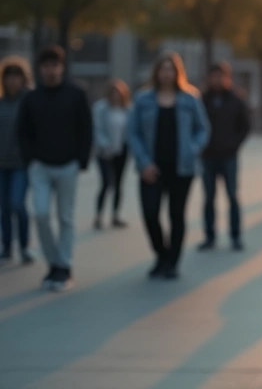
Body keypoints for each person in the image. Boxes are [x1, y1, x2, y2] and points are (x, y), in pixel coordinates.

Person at [127, 53, 209, 280]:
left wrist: (192, 149)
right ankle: (161, 255)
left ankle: (172, 262)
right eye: (162, 69)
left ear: (177, 72)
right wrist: (144, 162)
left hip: (182, 168)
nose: (166, 73)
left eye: (170, 69)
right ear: (156, 72)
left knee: (176, 215)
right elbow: (133, 133)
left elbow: (203, 129)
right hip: (151, 168)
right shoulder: (143, 100)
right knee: (150, 213)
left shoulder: (190, 99)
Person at [16, 46, 92, 291]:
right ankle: (53, 263)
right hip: (40, 165)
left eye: (54, 65)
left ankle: (64, 266)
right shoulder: (31, 98)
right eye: (46, 66)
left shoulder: (76, 94)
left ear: (62, 67)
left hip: (68, 164)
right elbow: (22, 131)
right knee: (40, 213)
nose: (50, 70)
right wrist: (30, 159)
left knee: (66, 217)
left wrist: (81, 160)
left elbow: (86, 128)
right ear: (40, 69)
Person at [199, 63, 250, 252]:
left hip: (229, 156)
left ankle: (235, 236)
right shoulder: (202, 100)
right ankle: (209, 237)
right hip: (208, 157)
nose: (217, 80)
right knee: (209, 197)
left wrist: (234, 145)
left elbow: (245, 126)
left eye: (221, 76)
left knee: (232, 196)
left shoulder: (235, 99)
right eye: (214, 76)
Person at [0, 58, 34, 265]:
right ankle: (6, 247)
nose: (13, 81)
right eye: (9, 76)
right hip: (1, 164)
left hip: (21, 163)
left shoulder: (29, 101)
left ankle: (24, 246)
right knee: (3, 207)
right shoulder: (1, 103)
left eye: (17, 76)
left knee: (17, 203)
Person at [91, 79, 131, 230]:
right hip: (104, 153)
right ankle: (98, 216)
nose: (115, 96)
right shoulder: (101, 108)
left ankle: (115, 215)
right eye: (113, 93)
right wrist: (104, 145)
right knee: (107, 183)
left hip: (121, 152)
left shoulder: (127, 109)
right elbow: (97, 129)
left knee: (119, 184)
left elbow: (130, 132)